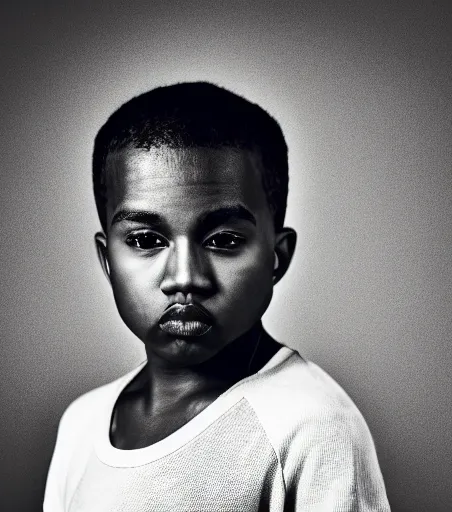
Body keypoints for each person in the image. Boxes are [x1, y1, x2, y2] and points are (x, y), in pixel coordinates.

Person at [43, 82, 390, 511]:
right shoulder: (83, 423)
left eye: (223, 240)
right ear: (107, 259)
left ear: (276, 257)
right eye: (146, 239)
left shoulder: (313, 427)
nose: (186, 278)